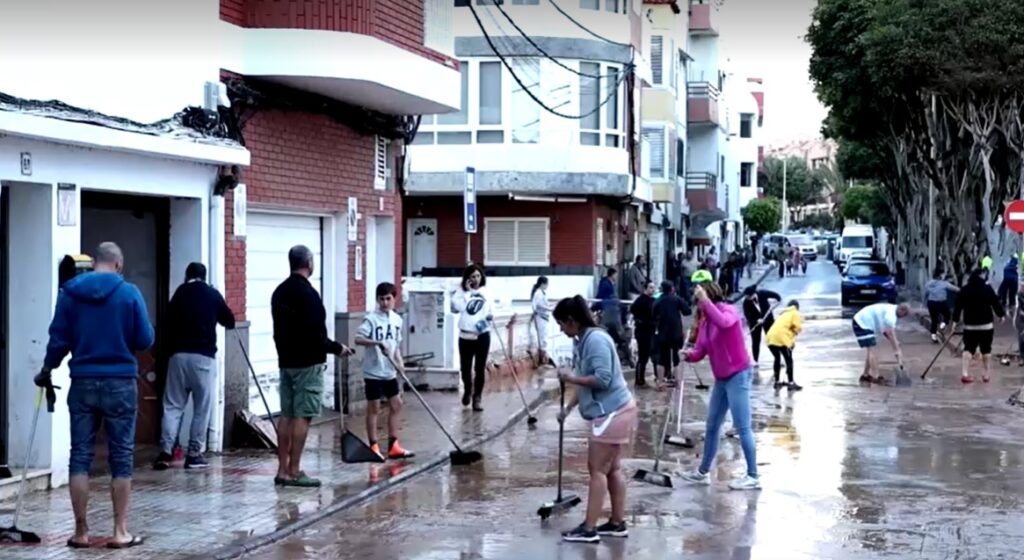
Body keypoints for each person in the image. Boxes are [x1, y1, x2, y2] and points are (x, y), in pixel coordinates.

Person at [40, 242, 154, 549]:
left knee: (80, 456)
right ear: (118, 264)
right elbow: (145, 339)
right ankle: (120, 532)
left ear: (94, 264)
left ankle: (81, 532)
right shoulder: (129, 293)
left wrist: (46, 369)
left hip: (83, 382)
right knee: (121, 457)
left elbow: (58, 340)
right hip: (120, 383)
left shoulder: (70, 294)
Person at [554, 296, 637, 543]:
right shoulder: (584, 341)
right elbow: (586, 385)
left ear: (572, 321)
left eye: (561, 323)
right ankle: (617, 523)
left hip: (612, 413)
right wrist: (568, 409)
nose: (560, 329)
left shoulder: (596, 341)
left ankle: (589, 528)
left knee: (597, 470)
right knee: (612, 469)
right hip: (613, 411)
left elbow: (602, 379)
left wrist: (570, 378)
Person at [272, 245, 355, 487]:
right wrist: (337, 348)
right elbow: (315, 335)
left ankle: (281, 470)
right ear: (309, 263)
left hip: (286, 362)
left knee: (286, 415)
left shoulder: (279, 292)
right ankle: (295, 470)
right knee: (303, 416)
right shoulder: (309, 294)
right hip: (308, 363)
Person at [154, 262, 236, 471]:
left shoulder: (179, 293)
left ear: (187, 275)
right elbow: (229, 321)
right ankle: (194, 454)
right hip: (204, 359)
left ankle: (165, 452)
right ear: (203, 276)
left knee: (172, 406)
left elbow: (166, 322)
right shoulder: (212, 294)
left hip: (178, 357)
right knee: (202, 408)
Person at [679, 283, 760, 491]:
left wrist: (705, 301)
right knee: (712, 425)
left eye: (700, 302)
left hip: (738, 374)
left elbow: (724, 323)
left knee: (742, 426)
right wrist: (688, 355)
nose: (698, 307)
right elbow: (701, 350)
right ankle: (703, 472)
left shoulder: (728, 311)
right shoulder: (706, 323)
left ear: (709, 298)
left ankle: (753, 476)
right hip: (722, 378)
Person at [354, 282, 414, 460]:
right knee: (375, 407)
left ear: (395, 299)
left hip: (389, 371)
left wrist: (400, 363)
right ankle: (373, 445)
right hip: (373, 371)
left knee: (397, 404)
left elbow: (396, 346)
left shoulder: (397, 320)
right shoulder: (371, 319)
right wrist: (376, 343)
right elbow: (358, 338)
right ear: (377, 300)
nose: (385, 303)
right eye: (381, 299)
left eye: (388, 299)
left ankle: (393, 445)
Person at [450, 263, 494, 411]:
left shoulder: (486, 292)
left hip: (482, 334)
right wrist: (468, 292)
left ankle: (477, 397)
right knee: (465, 368)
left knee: (479, 368)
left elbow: (490, 309)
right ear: (467, 279)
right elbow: (461, 308)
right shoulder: (460, 293)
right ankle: (468, 389)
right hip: (465, 335)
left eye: (478, 276)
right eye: (472, 276)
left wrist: (490, 315)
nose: (476, 279)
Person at [952, 268, 1005, 383]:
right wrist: (1001, 315)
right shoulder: (987, 289)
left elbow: (958, 307)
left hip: (970, 326)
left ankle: (965, 373)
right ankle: (986, 375)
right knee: (986, 349)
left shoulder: (965, 290)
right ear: (981, 276)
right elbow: (995, 303)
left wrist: (954, 322)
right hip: (986, 325)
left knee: (968, 349)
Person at [852, 302, 910, 384]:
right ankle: (875, 377)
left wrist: (895, 342)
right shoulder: (891, 316)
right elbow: (891, 333)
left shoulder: (892, 309)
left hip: (863, 322)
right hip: (862, 323)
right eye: (904, 315)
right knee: (873, 350)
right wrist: (896, 349)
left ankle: (865, 375)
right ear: (902, 311)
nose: (903, 317)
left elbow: (886, 331)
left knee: (870, 350)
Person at [653, 280, 691, 390]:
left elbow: (653, 314)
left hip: (663, 333)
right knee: (676, 357)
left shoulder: (658, 301)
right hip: (676, 332)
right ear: (672, 289)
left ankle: (660, 382)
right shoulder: (677, 299)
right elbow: (687, 311)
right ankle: (677, 382)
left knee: (661, 358)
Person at [766, 300, 803, 391]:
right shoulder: (794, 313)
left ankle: (777, 382)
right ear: (797, 307)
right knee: (789, 360)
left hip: (770, 337)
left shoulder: (783, 314)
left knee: (777, 358)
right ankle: (791, 383)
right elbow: (797, 328)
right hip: (781, 339)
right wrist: (792, 340)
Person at [742, 286, 782, 367]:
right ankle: (755, 361)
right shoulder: (746, 302)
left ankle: (778, 358)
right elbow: (747, 315)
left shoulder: (762, 293)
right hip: (755, 323)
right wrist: (756, 321)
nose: (747, 298)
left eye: (748, 297)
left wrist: (779, 299)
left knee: (771, 339)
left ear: (753, 294)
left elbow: (776, 295)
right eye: (746, 297)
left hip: (768, 320)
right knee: (756, 341)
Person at [629, 280, 656, 387]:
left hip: (650, 331)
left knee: (647, 355)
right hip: (642, 331)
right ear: (645, 288)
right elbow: (633, 310)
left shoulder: (653, 300)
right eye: (650, 287)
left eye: (653, 288)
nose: (653, 290)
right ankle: (639, 379)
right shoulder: (640, 300)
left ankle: (641, 379)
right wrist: (640, 319)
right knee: (643, 356)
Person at [924, 269, 959, 343]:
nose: (944, 275)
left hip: (931, 303)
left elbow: (926, 294)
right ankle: (942, 326)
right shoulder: (944, 283)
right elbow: (955, 289)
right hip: (941, 303)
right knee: (947, 315)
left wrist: (924, 303)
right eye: (943, 274)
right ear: (940, 275)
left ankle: (933, 335)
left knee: (934, 320)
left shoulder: (929, 283)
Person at [531, 276, 552, 367]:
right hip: (541, 317)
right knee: (543, 338)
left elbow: (544, 303)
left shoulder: (542, 293)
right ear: (543, 284)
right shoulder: (539, 293)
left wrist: (551, 305)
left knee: (544, 337)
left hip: (543, 317)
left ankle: (543, 358)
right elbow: (539, 305)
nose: (547, 286)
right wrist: (549, 308)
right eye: (547, 284)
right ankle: (542, 359)